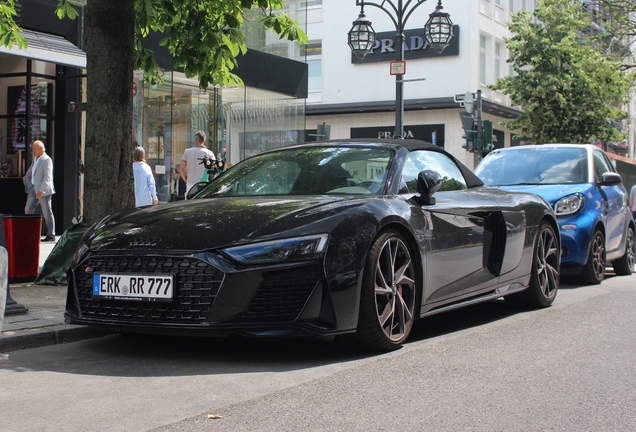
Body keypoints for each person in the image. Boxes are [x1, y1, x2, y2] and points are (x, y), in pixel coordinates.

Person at [23, 140, 56, 242]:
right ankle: (30, 233)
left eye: (35, 149)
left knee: (47, 213)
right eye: (33, 149)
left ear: (41, 148)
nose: (33, 151)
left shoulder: (46, 160)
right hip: (33, 189)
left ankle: (51, 235)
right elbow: (31, 174)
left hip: (43, 191)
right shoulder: (36, 159)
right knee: (28, 210)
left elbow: (48, 177)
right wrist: (29, 185)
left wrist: (41, 190)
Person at [179, 131, 216, 198]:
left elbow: (181, 169)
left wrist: (186, 180)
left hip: (191, 183)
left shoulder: (187, 152)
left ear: (195, 139)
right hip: (204, 185)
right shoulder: (209, 153)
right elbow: (215, 170)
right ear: (204, 140)